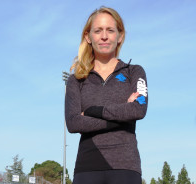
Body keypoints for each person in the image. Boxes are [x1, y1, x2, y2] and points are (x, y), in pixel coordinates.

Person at [65, 6, 148, 184]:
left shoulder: (134, 72)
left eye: (110, 30)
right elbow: (73, 123)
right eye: (98, 30)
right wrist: (122, 115)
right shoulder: (76, 79)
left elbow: (138, 109)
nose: (104, 36)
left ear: (120, 36)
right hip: (87, 167)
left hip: (126, 167)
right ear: (88, 37)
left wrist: (92, 111)